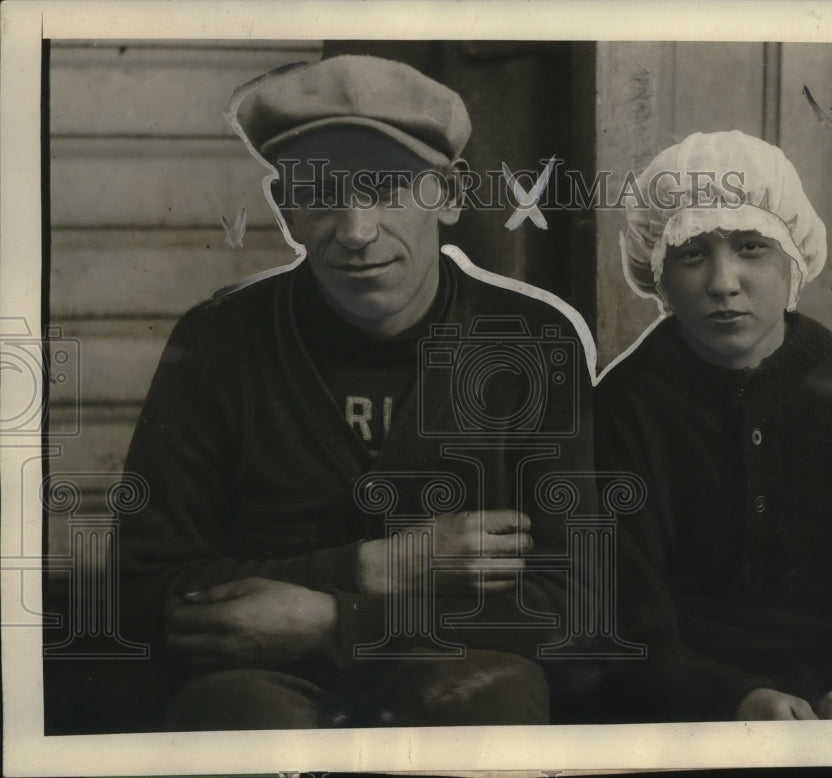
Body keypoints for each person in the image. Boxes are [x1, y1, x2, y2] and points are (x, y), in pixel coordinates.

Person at [117, 55, 596, 730]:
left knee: (491, 700)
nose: (356, 231)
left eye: (388, 188)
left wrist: (336, 619)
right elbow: (144, 588)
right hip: (261, 680)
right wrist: (373, 566)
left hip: (457, 669)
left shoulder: (529, 342)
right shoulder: (219, 341)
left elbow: (575, 599)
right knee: (236, 717)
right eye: (319, 192)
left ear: (450, 194)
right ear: (285, 208)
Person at [596, 130, 832, 721]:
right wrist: (734, 699)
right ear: (656, 273)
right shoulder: (624, 408)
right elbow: (619, 613)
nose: (722, 282)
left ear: (794, 259)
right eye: (692, 253)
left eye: (751, 247)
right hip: (684, 713)